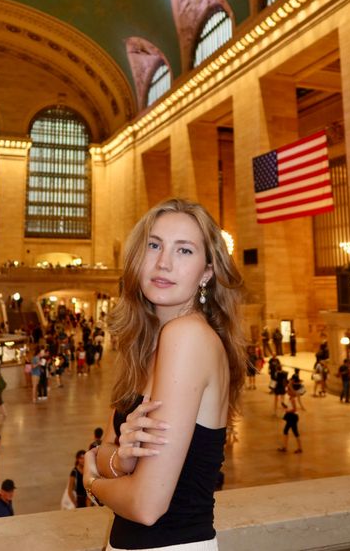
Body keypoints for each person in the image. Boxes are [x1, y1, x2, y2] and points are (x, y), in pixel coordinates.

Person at [83, 198, 245, 551]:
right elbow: (107, 451)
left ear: (206, 272)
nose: (163, 262)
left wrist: (92, 480)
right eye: (154, 245)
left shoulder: (186, 336)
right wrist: (117, 460)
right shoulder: (147, 344)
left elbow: (145, 505)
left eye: (184, 251)